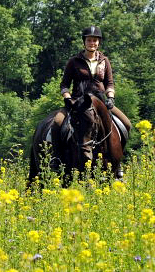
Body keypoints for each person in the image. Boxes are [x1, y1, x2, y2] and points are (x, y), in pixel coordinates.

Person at [54, 26, 131, 175]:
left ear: (99, 42)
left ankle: (118, 161)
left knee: (126, 124)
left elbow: (109, 83)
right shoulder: (74, 61)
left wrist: (110, 97)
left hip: (101, 102)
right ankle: (56, 159)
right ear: (84, 42)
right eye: (89, 40)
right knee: (57, 123)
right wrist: (67, 98)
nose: (92, 43)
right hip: (78, 102)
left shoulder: (104, 61)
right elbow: (64, 84)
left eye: (95, 40)